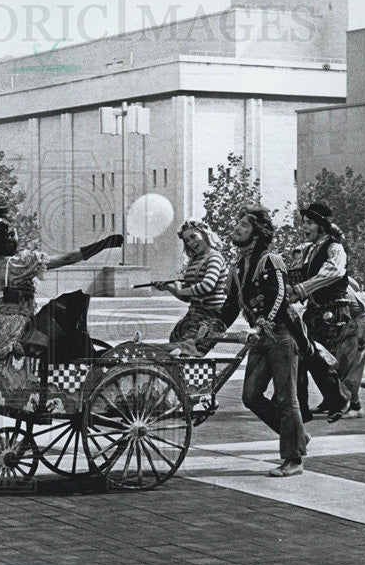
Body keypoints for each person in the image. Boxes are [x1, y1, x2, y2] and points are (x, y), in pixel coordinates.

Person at [216, 207, 310, 477]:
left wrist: (261, 324)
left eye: (243, 225)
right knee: (251, 396)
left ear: (256, 234)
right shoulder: (239, 265)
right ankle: (296, 436)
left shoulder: (270, 260)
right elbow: (232, 304)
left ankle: (293, 459)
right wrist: (214, 327)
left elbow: (279, 298)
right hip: (261, 337)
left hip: (281, 335)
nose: (237, 228)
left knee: (285, 398)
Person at [0, 206, 122, 365]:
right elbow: (66, 259)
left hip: (1, 329)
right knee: (69, 316)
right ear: (5, 240)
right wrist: (103, 244)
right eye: (12, 235)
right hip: (22, 329)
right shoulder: (18, 265)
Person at [288, 202, 352, 422]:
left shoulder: (335, 247)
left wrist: (302, 289)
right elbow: (298, 273)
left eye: (309, 223)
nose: (304, 227)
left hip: (332, 312)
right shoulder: (309, 249)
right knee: (305, 357)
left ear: (321, 226)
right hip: (314, 312)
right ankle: (304, 409)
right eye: (303, 223)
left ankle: (340, 399)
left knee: (321, 358)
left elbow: (332, 272)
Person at [151, 219, 228, 355]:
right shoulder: (194, 261)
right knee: (173, 345)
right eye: (187, 240)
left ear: (204, 234)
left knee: (184, 351)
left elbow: (207, 286)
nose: (191, 243)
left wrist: (180, 289)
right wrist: (169, 288)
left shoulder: (214, 257)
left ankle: (186, 375)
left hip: (210, 317)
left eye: (193, 237)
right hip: (193, 315)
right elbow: (186, 297)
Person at [338, 276, 365, 418]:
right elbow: (356, 285)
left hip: (361, 326)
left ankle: (356, 407)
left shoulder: (333, 285)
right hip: (362, 323)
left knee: (348, 370)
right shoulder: (340, 278)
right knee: (343, 369)